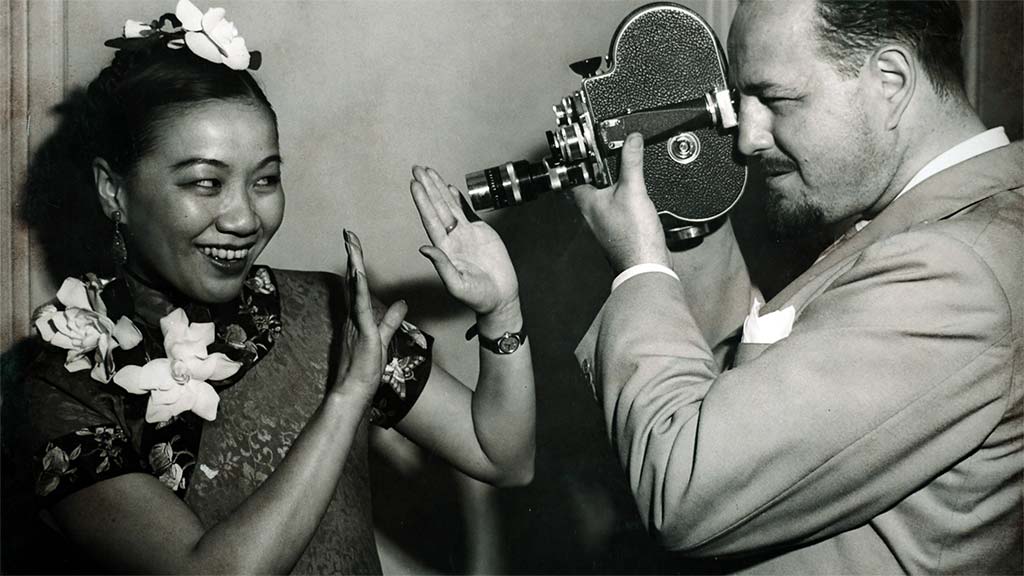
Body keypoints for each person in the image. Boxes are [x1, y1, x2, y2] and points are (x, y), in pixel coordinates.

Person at [10, 1, 534, 573]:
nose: (244, 217)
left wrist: (499, 310)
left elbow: (501, 455)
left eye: (265, 179)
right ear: (114, 191)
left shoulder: (333, 310)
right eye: (206, 183)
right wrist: (346, 399)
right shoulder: (60, 385)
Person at [566, 0, 1022, 572]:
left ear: (891, 81)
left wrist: (639, 269)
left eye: (775, 100)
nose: (747, 137)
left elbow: (681, 488)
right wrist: (683, 218)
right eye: (742, 101)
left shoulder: (955, 272)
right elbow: (751, 394)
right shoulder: (925, 221)